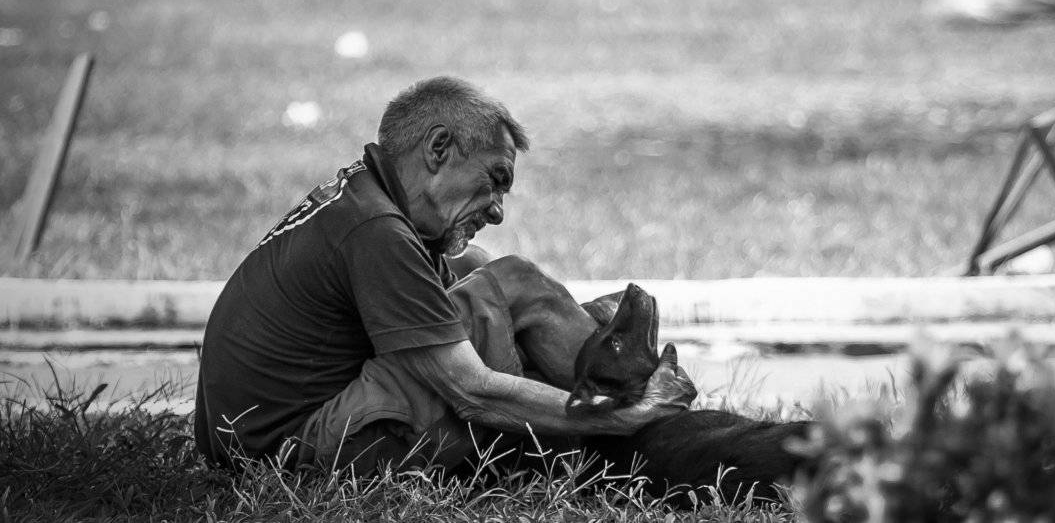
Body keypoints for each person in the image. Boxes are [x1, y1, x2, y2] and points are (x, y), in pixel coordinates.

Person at [193, 76, 694, 473]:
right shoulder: (376, 231)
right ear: (438, 149)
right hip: (288, 449)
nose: (497, 211)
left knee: (475, 267)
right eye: (495, 180)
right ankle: (645, 412)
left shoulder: (363, 197)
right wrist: (621, 419)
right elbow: (473, 393)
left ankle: (608, 369)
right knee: (517, 283)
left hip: (257, 436)